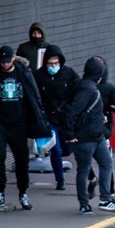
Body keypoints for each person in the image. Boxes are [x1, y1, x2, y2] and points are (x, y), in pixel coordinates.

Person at [0, 45, 49, 211]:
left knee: (22, 160)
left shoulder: (24, 73)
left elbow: (34, 96)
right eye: (2, 62)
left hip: (19, 124)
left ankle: (23, 193)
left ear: (13, 59)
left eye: (8, 62)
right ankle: (0, 192)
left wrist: (37, 118)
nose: (5, 65)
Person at [64, 57, 115, 215]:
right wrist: (70, 134)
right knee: (85, 169)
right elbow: (73, 111)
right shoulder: (88, 89)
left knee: (106, 164)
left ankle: (104, 199)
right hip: (85, 137)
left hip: (96, 135)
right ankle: (85, 204)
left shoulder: (83, 85)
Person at [34, 44, 78, 191]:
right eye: (50, 63)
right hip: (48, 118)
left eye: (56, 63)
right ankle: (60, 180)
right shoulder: (39, 76)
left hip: (65, 118)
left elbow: (79, 88)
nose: (53, 66)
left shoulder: (68, 73)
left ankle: (60, 169)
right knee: (56, 150)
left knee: (67, 149)